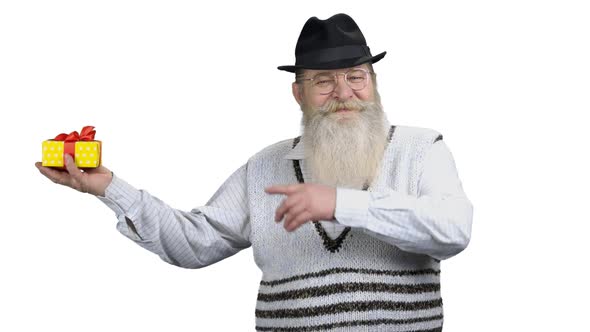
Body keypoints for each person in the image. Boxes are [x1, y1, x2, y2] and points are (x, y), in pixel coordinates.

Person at [36, 13, 473, 332]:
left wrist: (343, 204)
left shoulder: (421, 149)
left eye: (355, 76)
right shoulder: (265, 165)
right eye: (324, 81)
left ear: (373, 83)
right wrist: (110, 188)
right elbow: (195, 242)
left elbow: (453, 231)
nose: (344, 93)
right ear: (298, 93)